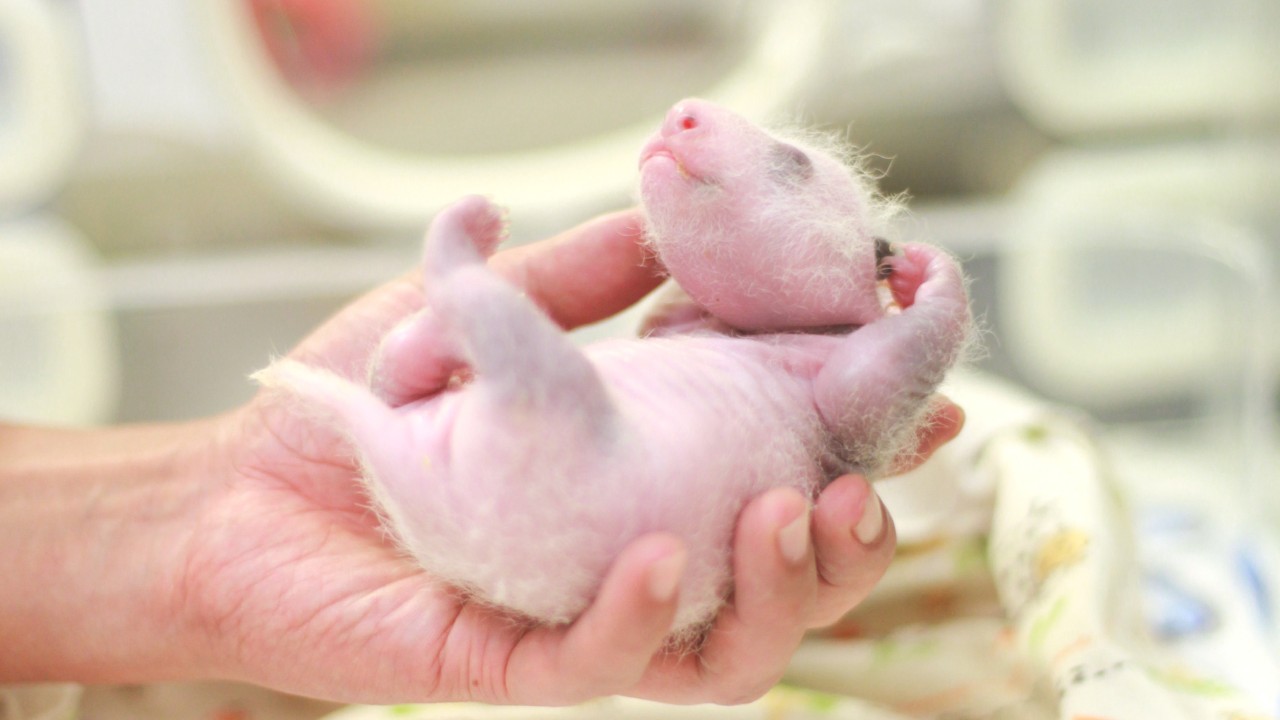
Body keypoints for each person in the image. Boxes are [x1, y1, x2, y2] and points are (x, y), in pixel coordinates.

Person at [0, 207, 963, 706]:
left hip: (539, 502)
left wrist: (933, 319)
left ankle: (459, 293)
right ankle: (445, 333)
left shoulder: (830, 373)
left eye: (793, 180)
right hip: (517, 522)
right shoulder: (728, 346)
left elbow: (882, 385)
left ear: (851, 260)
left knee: (496, 398)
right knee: (497, 401)